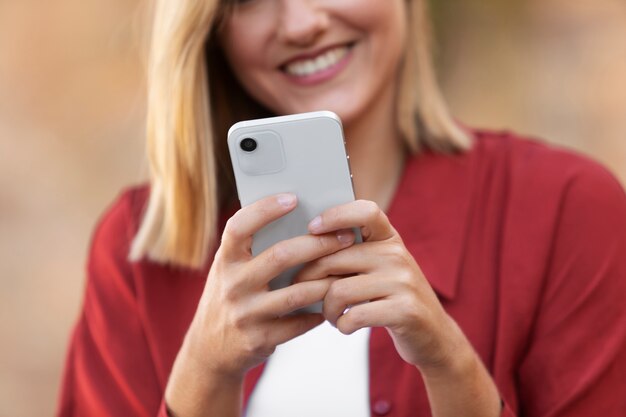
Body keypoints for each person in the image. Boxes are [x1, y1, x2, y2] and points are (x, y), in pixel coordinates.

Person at [56, 1, 626, 416]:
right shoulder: (135, 250)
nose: (302, 23)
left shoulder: (565, 208)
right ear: (209, 28)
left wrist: (449, 364)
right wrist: (206, 370)